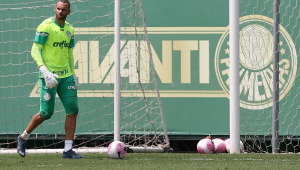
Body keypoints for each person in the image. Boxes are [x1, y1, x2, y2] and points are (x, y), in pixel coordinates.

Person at [17, 0, 83, 159]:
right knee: (46, 113)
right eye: (58, 8)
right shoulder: (45, 26)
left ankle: (68, 150)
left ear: (69, 12)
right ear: (55, 9)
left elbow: (69, 53)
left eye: (64, 9)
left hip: (66, 76)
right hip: (49, 76)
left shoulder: (70, 29)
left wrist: (73, 74)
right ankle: (23, 137)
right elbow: (35, 50)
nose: (60, 11)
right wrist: (44, 71)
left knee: (73, 109)